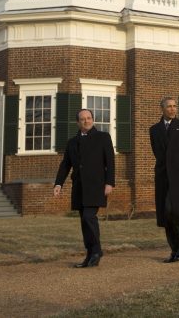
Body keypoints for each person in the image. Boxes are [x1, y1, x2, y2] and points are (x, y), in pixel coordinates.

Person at [53, 108, 115, 268]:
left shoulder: (103, 137)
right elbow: (65, 165)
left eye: (89, 118)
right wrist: (58, 183)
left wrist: (110, 183)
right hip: (79, 187)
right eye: (82, 119)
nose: (86, 121)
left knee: (89, 217)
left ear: (93, 120)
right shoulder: (72, 142)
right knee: (84, 221)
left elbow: (110, 162)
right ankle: (90, 253)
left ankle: (96, 251)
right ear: (78, 122)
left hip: (97, 186)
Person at [149, 96, 179, 263]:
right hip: (162, 177)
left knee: (173, 211)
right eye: (169, 106)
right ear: (162, 108)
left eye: (174, 106)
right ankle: (175, 249)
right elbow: (157, 152)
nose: (172, 109)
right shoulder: (154, 130)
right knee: (165, 214)